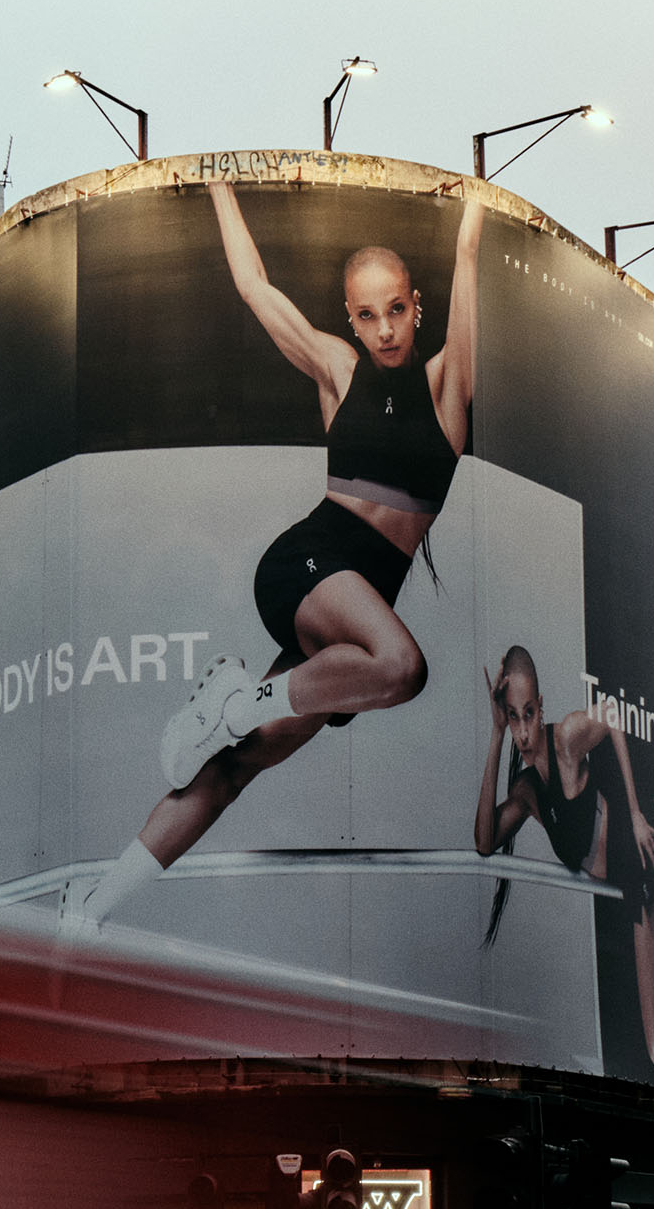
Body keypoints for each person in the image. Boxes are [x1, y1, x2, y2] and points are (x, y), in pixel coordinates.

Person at [62, 183, 482, 929]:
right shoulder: (339, 372)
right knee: (403, 667)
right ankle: (234, 703)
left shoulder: (449, 386)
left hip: (345, 621)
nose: (384, 329)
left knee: (232, 767)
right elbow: (255, 288)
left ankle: (89, 910)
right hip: (311, 563)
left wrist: (476, 204)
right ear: (347, 318)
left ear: (418, 304)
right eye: (366, 314)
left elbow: (470, 248)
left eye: (396, 309)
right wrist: (222, 181)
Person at [473, 580, 654, 1068]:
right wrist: (494, 737)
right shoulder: (527, 792)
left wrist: (638, 815)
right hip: (625, 861)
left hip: (635, 851)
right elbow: (483, 842)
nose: (522, 730)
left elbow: (614, 717)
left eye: (528, 715)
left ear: (543, 706)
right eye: (512, 718)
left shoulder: (565, 740)